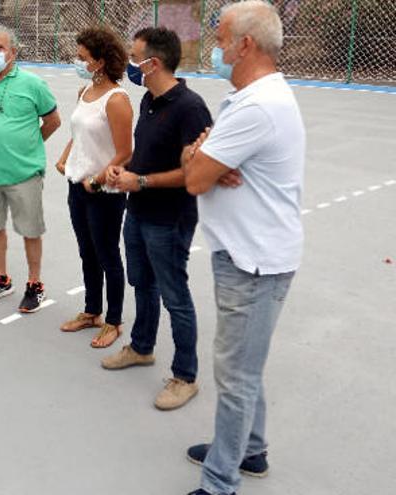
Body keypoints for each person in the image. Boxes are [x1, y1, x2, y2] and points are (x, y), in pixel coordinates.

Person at [181, 2, 305, 494]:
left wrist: (201, 158)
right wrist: (202, 155)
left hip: (254, 263)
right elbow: (200, 163)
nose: (216, 47)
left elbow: (193, 179)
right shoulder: (254, 97)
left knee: (235, 377)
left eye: (221, 37)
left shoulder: (257, 106)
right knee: (245, 366)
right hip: (247, 255)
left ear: (245, 45)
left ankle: (220, 481)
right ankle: (249, 450)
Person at [101, 27, 212, 411]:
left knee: (174, 296)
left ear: (154, 63)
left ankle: (185, 376)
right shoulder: (149, 100)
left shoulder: (190, 108)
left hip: (170, 218)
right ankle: (142, 346)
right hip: (139, 211)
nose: (131, 64)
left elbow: (195, 173)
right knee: (142, 284)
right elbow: (144, 154)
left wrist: (142, 180)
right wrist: (123, 171)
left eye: (135, 58)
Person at [0, 24, 61, 313]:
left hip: (24, 174)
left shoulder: (33, 84)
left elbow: (53, 121)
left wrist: (29, 146)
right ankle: (1, 279)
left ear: (13, 52)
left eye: (0, 48)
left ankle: (35, 284)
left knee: (30, 230)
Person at [54, 26, 132, 348]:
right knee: (87, 252)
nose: (78, 61)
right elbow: (79, 134)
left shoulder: (117, 100)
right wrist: (64, 158)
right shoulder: (84, 92)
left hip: (105, 193)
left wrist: (97, 180)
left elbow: (125, 152)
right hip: (77, 186)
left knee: (107, 255)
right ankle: (91, 312)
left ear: (99, 61)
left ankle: (113, 321)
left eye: (82, 57)